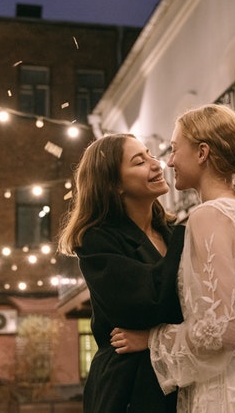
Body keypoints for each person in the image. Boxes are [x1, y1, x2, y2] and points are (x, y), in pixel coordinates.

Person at [111, 104, 235, 412]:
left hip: (229, 391)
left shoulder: (208, 216)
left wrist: (152, 340)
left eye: (174, 149)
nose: (169, 162)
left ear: (202, 153)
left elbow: (220, 330)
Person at [58, 133, 186, 412]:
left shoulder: (173, 233)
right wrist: (191, 236)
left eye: (151, 155)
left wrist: (151, 337)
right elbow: (148, 301)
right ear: (114, 184)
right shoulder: (95, 241)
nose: (156, 164)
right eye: (140, 161)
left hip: (182, 378)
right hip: (129, 388)